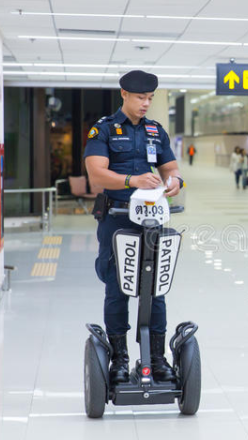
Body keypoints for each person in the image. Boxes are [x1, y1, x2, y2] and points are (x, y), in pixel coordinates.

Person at [84, 70, 184, 385]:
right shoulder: (103, 130)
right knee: (118, 287)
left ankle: (157, 359)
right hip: (117, 218)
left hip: (152, 219)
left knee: (156, 287)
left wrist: (175, 181)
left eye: (150, 98)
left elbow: (171, 168)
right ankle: (119, 359)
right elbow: (97, 176)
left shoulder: (156, 130)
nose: (146, 104)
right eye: (141, 97)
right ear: (124, 94)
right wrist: (131, 180)